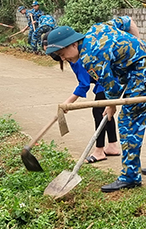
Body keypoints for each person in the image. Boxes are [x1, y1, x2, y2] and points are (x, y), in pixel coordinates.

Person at [44, 18, 146, 192]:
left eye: (62, 54)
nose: (64, 58)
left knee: (128, 121)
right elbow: (127, 21)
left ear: (72, 44)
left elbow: (112, 87)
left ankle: (130, 176)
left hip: (143, 75)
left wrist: (111, 106)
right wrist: (139, 46)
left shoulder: (89, 58)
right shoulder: (97, 28)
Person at [43, 31, 123, 163]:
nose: (59, 57)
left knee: (98, 111)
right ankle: (113, 145)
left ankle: (99, 151)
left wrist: (68, 103)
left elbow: (84, 84)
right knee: (105, 111)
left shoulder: (79, 58)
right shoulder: (71, 58)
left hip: (108, 81)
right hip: (103, 82)